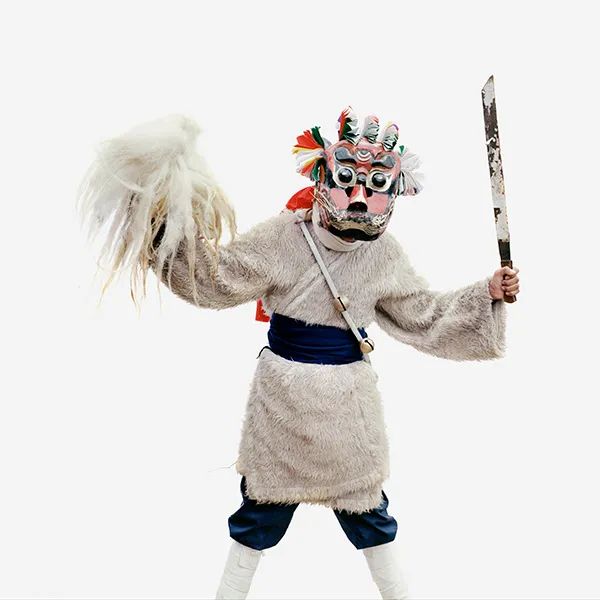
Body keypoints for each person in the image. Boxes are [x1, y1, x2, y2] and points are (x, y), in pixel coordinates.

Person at [79, 108, 520, 599]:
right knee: (258, 516)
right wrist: (165, 223)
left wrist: (487, 293)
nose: (358, 196)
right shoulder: (283, 236)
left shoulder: (385, 255)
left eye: (375, 184)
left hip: (349, 412)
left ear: (395, 190)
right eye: (347, 179)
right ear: (323, 175)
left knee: (370, 516)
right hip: (282, 409)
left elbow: (422, 315)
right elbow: (218, 278)